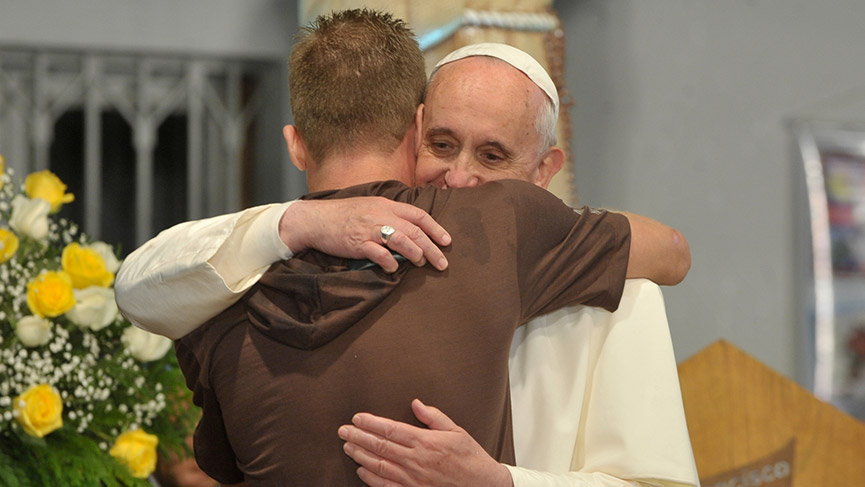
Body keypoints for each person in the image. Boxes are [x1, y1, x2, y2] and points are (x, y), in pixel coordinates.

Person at [116, 10, 695, 487]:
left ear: (544, 171)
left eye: (492, 157)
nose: (460, 179)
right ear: (416, 130)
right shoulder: (263, 256)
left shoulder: (620, 291)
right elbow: (141, 284)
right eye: (442, 144)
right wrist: (300, 221)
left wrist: (504, 483)